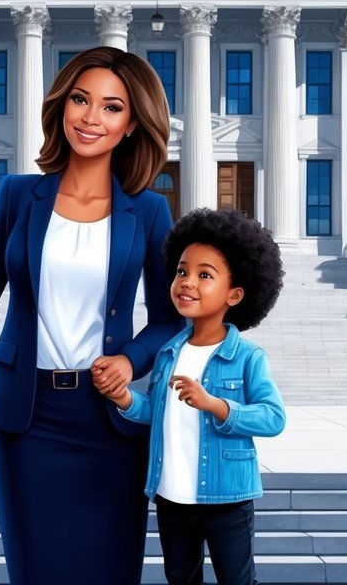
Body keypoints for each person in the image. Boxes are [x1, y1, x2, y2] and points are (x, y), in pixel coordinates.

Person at [0, 47, 183, 584]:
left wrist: (130, 359)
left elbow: (169, 318)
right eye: (81, 99)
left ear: (131, 124)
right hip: (26, 420)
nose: (91, 117)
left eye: (111, 107)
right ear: (61, 106)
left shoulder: (147, 209)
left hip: (112, 421)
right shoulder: (17, 195)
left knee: (111, 571)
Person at [100, 207, 286, 585]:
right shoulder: (168, 351)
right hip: (171, 497)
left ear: (235, 293)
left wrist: (215, 405)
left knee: (237, 579)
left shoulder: (248, 357)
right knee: (180, 579)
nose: (186, 282)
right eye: (182, 271)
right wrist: (124, 400)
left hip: (228, 500)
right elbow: (157, 411)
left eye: (205, 275)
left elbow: (273, 418)